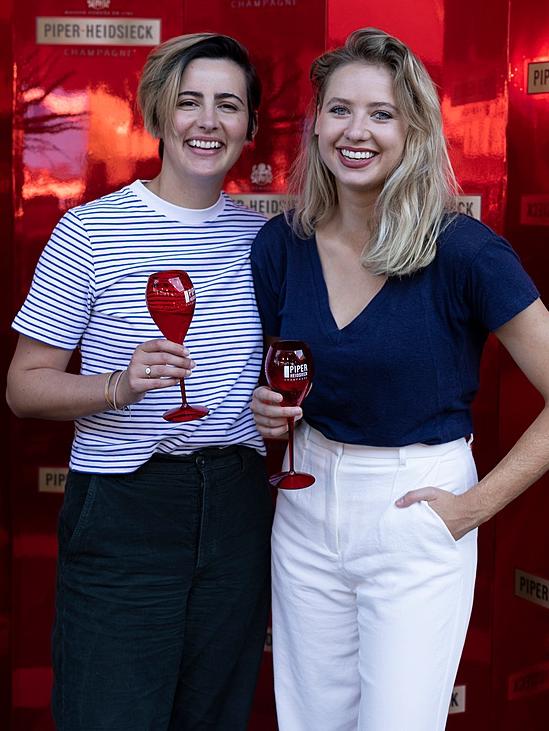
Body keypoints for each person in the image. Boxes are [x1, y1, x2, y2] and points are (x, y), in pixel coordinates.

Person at [250, 27, 549, 731]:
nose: (356, 131)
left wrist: (468, 510)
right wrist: (266, 409)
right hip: (305, 502)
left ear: (413, 128)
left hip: (416, 506)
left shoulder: (463, 250)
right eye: (339, 110)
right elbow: (275, 381)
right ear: (315, 122)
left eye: (381, 114)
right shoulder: (281, 242)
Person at [7, 33, 273, 731]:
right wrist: (118, 387)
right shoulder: (90, 232)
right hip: (127, 508)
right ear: (157, 114)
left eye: (227, 104)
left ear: (248, 126)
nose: (207, 121)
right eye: (188, 102)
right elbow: (24, 386)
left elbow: (266, 372)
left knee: (213, 715)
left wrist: (269, 407)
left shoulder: (263, 242)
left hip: (238, 509)